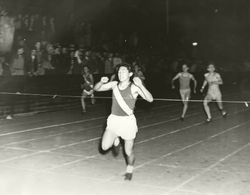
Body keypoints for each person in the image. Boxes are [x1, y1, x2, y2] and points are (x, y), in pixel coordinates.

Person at [94, 63, 153, 180]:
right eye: (119, 72)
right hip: (114, 120)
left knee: (128, 151)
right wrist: (101, 82)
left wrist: (141, 85)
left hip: (128, 122)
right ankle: (116, 138)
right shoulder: (114, 84)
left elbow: (150, 99)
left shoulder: (134, 87)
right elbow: (97, 89)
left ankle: (130, 169)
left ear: (130, 74)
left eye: (123, 71)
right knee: (104, 147)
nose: (120, 74)